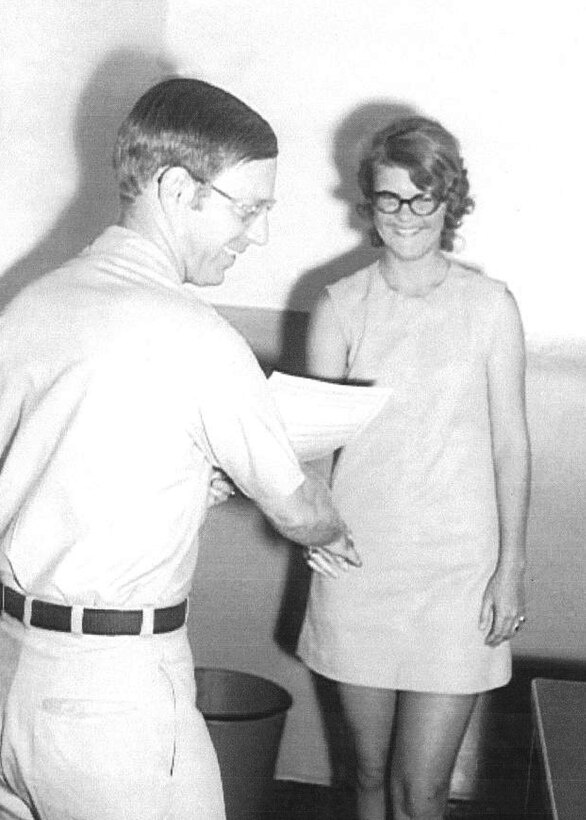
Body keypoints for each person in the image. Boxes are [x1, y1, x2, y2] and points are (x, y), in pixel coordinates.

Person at [0, 77, 360, 820]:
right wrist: (328, 531)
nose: (255, 233)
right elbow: (298, 509)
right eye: (248, 207)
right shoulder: (195, 336)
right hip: (112, 697)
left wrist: (195, 483)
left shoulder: (35, 302)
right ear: (174, 188)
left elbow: (64, 469)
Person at [297, 115, 531, 820]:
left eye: (422, 198)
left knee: (423, 791)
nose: (406, 216)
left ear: (449, 201)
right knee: (367, 779)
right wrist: (315, 526)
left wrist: (510, 568)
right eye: (390, 199)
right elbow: (310, 451)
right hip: (360, 570)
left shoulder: (490, 307)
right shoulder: (340, 306)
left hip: (459, 577)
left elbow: (511, 446)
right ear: (368, 204)